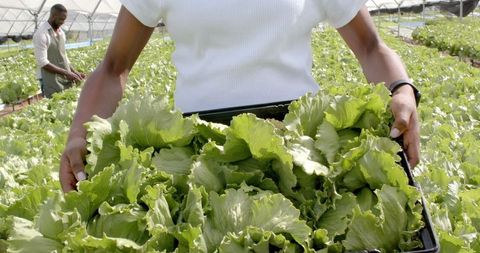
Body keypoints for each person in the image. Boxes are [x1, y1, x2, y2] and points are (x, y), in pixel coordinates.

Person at [60, 1, 421, 192]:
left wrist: (401, 88)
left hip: (301, 157)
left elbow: (371, 47)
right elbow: (112, 68)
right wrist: (79, 132)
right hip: (199, 163)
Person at [33, 4, 86, 98]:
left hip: (63, 75)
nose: (63, 22)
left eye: (64, 19)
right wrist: (66, 73)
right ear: (53, 16)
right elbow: (42, 62)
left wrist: (74, 72)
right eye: (61, 19)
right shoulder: (41, 34)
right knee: (54, 103)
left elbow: (63, 55)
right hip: (49, 78)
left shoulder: (61, 33)